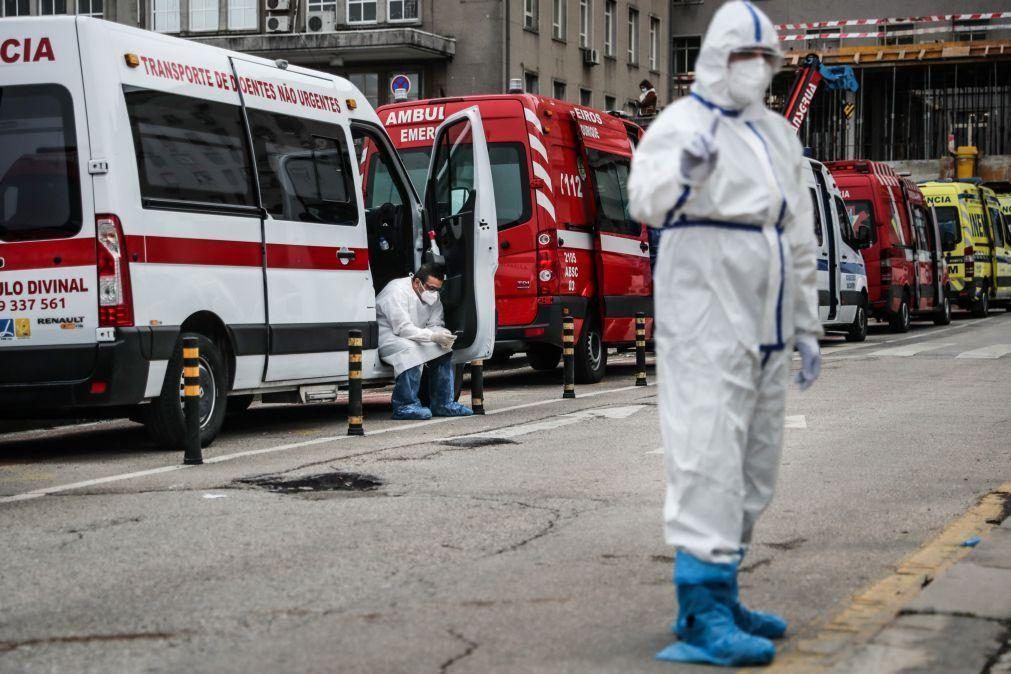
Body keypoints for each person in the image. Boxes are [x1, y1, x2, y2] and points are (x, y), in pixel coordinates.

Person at [627, 1, 822, 667]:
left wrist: (805, 323)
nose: (758, 71)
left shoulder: (776, 134)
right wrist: (686, 168)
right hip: (705, 314)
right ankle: (698, 607)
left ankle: (724, 586)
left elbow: (797, 234)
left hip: (764, 317)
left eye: (767, 60)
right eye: (747, 57)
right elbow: (645, 200)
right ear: (717, 57)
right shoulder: (681, 124)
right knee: (706, 453)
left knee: (753, 464)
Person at [376, 263, 473, 420]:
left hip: (417, 336)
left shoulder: (432, 296)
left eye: (437, 289)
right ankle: (404, 405)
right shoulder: (396, 291)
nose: (433, 292)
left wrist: (443, 334)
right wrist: (433, 337)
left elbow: (435, 324)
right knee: (410, 351)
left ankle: (443, 404)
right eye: (430, 287)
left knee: (443, 350)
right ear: (416, 282)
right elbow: (402, 328)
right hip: (389, 337)